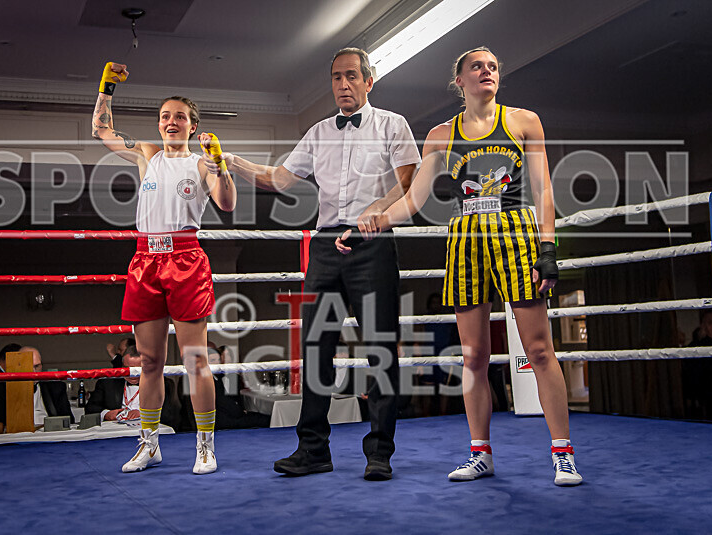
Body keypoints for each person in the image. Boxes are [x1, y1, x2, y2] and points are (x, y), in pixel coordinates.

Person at [363, 47, 582, 486]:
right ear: (458, 80)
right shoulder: (441, 134)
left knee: (539, 349)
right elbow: (416, 198)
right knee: (473, 355)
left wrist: (549, 249)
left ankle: (563, 454)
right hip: (465, 239)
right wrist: (376, 220)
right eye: (477, 67)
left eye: (494, 66)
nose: (487, 72)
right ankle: (481, 453)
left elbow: (543, 191)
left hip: (516, 233)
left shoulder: (523, 121)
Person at [204, 47, 420, 480]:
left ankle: (380, 452)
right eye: (337, 77)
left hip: (372, 239)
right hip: (325, 243)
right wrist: (233, 162)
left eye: (351, 76)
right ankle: (314, 450)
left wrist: (371, 215)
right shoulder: (320, 131)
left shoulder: (392, 124)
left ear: (368, 81)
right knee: (316, 347)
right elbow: (281, 179)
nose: (343, 84)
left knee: (379, 347)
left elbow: (409, 185)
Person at [91, 61, 236, 474]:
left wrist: (219, 162)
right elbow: (102, 130)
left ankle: (205, 446)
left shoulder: (201, 162)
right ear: (159, 125)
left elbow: (227, 204)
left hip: (186, 257)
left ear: (193, 126)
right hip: (145, 259)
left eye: (180, 117)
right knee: (150, 362)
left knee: (194, 360)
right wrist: (106, 89)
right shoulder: (148, 154)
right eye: (165, 116)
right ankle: (149, 443)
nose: (171, 122)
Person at [85, 345, 181, 426]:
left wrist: (144, 414)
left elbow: (171, 415)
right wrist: (106, 414)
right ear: (122, 367)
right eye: (127, 369)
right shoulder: (107, 383)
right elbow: (90, 409)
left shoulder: (162, 384)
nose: (132, 374)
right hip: (113, 434)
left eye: (137, 370)